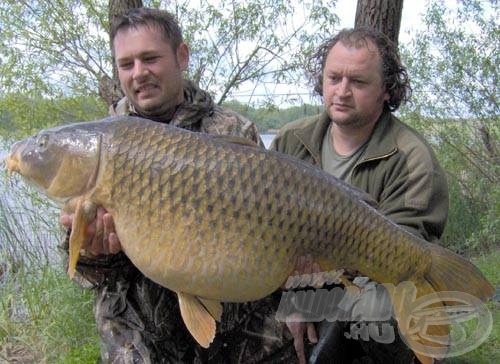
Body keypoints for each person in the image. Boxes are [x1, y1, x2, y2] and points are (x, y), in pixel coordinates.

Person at [60, 7, 301, 363]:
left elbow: (276, 232)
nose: (139, 73)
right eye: (126, 64)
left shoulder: (233, 131)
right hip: (138, 333)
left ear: (181, 56)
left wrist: (295, 282)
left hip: (239, 326)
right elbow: (80, 269)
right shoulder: (95, 147)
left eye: (150, 58)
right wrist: (97, 253)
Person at [270, 27, 449, 363]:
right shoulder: (290, 141)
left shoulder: (412, 158)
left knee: (373, 312)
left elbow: (398, 261)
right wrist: (293, 291)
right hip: (289, 281)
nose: (342, 91)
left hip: (376, 291)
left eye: (358, 82)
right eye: (333, 77)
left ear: (386, 89)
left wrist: (307, 290)